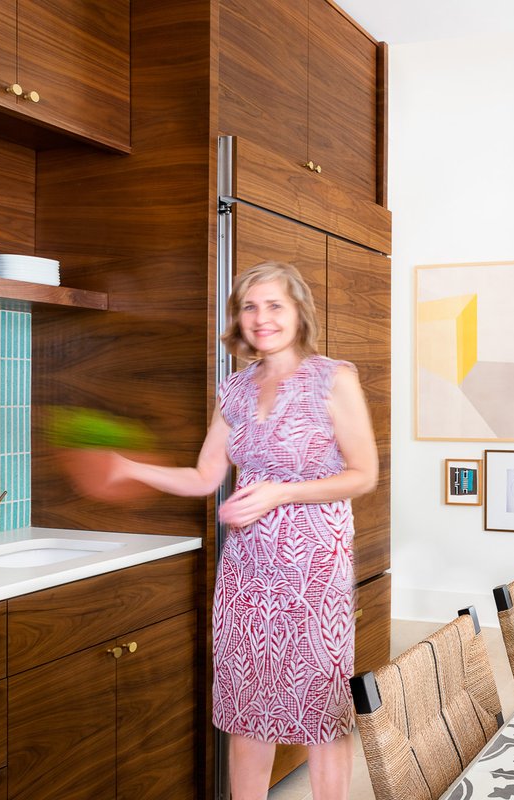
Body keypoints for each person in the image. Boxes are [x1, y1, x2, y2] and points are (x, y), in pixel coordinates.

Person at [99, 260, 377, 800]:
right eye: (250, 306)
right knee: (247, 706)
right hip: (246, 572)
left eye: (274, 304)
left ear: (299, 312)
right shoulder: (235, 389)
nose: (261, 317)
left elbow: (362, 475)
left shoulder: (333, 378)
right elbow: (206, 476)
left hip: (314, 570)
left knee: (320, 706)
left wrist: (280, 491)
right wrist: (130, 467)